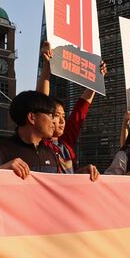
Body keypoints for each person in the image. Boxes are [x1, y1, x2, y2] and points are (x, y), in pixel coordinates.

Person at [38, 42, 106, 181]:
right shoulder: (38, 143)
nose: (62, 121)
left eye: (64, 115)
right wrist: (47, 65)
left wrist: (97, 79)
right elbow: (40, 101)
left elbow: (81, 108)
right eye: (56, 115)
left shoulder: (65, 142)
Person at [0, 90, 59, 179]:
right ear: (32, 117)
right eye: (51, 115)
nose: (54, 121)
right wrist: (2, 170)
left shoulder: (51, 153)